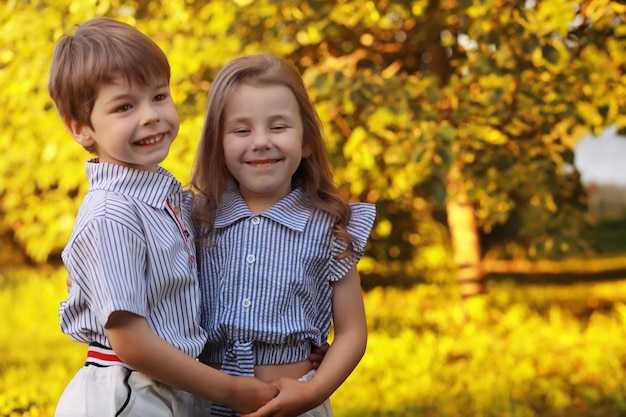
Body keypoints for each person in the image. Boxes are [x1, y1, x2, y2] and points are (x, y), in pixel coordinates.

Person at [48, 17, 279, 417]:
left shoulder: (166, 196)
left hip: (171, 386)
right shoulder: (112, 212)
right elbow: (133, 343)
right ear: (82, 128)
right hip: (129, 393)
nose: (151, 115)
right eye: (124, 106)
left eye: (158, 96)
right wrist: (229, 390)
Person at [190, 54, 376, 417]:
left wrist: (313, 393)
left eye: (278, 127)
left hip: (296, 404)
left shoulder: (329, 226)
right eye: (242, 130)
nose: (260, 142)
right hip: (203, 403)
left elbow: (353, 332)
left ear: (306, 141)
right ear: (218, 144)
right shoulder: (196, 219)